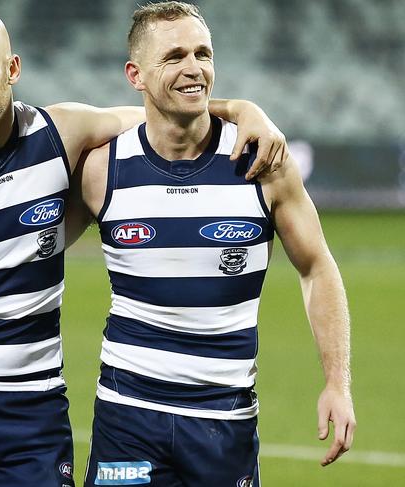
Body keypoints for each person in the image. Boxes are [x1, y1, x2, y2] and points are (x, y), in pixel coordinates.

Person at [0, 8, 289, 487]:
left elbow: (165, 109)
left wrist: (243, 110)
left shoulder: (61, 135)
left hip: (35, 414)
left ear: (12, 70)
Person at [61, 3, 355, 486]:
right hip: (127, 417)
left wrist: (337, 385)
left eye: (203, 53)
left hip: (225, 421)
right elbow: (27, 250)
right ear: (135, 74)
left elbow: (317, 268)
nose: (194, 68)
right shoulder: (101, 170)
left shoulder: (262, 163)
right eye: (174, 56)